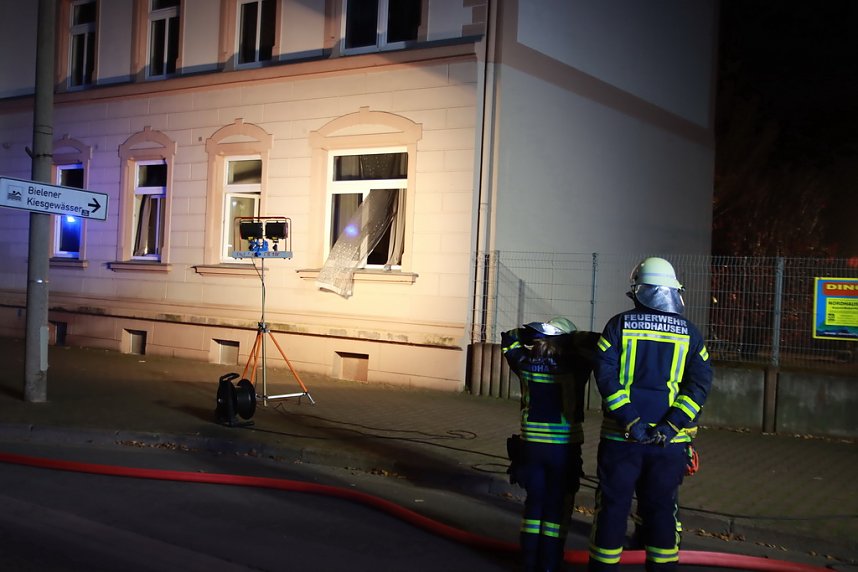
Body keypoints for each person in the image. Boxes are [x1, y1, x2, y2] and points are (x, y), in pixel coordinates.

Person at [588, 257, 713, 571]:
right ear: (672, 291)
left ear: (639, 290)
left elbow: (606, 378)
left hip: (621, 440)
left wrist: (631, 419)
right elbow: (699, 385)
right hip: (667, 446)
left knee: (612, 509)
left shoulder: (618, 325)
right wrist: (671, 426)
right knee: (661, 511)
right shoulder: (691, 333)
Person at [501, 317, 599, 572]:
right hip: (563, 448)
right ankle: (550, 563)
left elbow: (508, 338)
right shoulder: (577, 365)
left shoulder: (525, 362)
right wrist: (571, 338)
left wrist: (533, 335)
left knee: (534, 503)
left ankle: (529, 561)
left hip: (531, 445)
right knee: (557, 506)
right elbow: (598, 342)